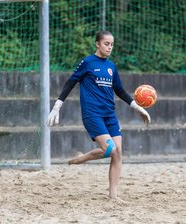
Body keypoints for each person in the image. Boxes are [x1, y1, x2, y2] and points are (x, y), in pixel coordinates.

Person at [46, 30, 151, 201]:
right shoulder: (87, 62)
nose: (110, 47)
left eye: (112, 44)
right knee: (109, 149)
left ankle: (113, 196)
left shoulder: (111, 67)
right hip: (92, 114)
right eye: (106, 44)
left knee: (118, 152)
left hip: (109, 114)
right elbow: (70, 83)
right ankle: (80, 159)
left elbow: (119, 90)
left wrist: (137, 107)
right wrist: (57, 106)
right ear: (97, 44)